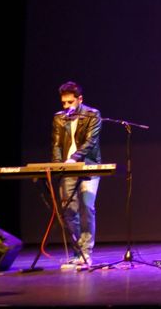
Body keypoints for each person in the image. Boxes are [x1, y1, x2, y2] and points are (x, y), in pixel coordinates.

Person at [50, 81, 102, 268]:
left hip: (88, 166)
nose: (66, 106)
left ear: (80, 99)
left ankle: (86, 252)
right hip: (67, 169)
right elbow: (56, 144)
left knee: (87, 207)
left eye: (70, 102)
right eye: (63, 103)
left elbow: (90, 142)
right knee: (68, 212)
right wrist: (58, 166)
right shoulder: (59, 118)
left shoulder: (93, 115)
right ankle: (77, 252)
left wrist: (74, 158)